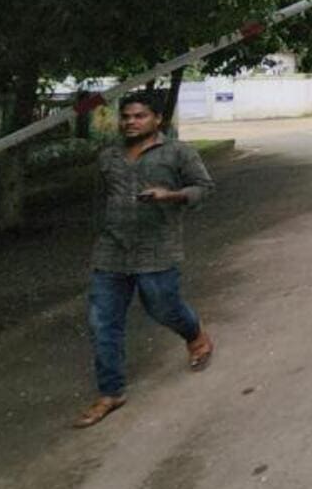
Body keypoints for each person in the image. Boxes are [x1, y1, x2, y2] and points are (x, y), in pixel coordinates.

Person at [73, 91, 216, 429]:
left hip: (157, 247)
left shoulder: (178, 152)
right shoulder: (108, 156)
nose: (131, 122)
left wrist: (172, 195)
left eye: (139, 116)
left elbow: (204, 188)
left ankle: (195, 335)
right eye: (126, 117)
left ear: (157, 120)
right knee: (101, 321)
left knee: (162, 307)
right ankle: (111, 391)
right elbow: (99, 200)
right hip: (111, 250)